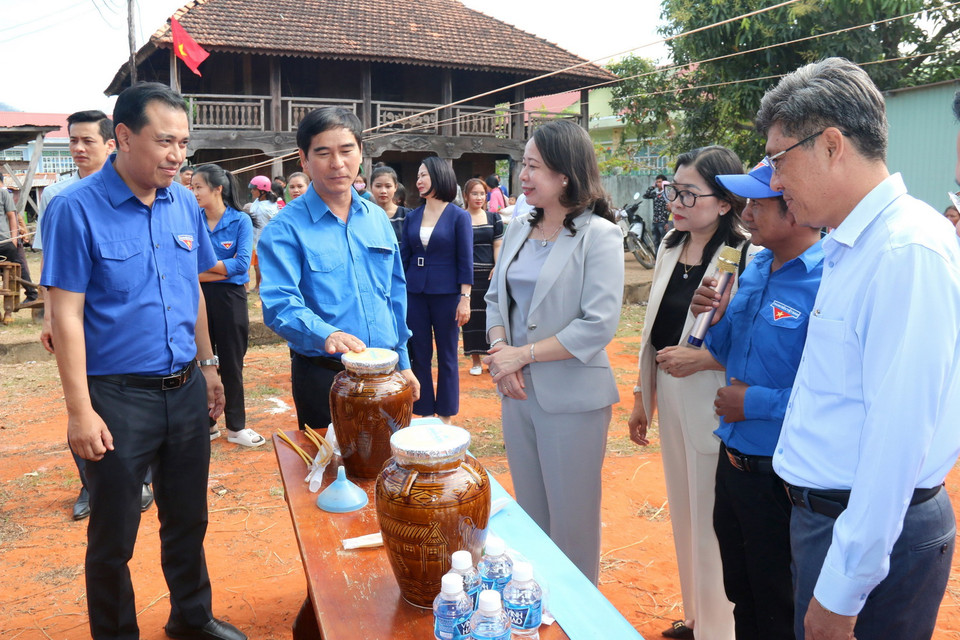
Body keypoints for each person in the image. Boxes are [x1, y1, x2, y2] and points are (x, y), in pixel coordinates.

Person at [757, 58, 960, 640]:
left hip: (867, 536)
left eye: (777, 160)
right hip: (835, 524)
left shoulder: (907, 251)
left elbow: (895, 442)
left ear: (830, 145)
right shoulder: (854, 244)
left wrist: (844, 588)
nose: (773, 181)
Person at [40, 82, 243, 640]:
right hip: (117, 397)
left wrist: (209, 370)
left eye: (183, 143)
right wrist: (80, 411)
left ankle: (191, 618)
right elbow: (67, 318)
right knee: (114, 532)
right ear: (124, 137)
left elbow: (195, 292)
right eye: (164, 142)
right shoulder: (73, 210)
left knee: (187, 517)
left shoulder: (183, 200)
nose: (177, 156)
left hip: (182, 390)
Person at [484, 119, 623, 584]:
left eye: (534, 167)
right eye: (523, 165)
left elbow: (598, 324)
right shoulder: (520, 227)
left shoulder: (599, 235)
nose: (523, 176)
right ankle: (536, 603)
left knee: (573, 520)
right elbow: (494, 300)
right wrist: (502, 351)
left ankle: (580, 619)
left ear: (565, 173)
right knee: (532, 515)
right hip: (518, 392)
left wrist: (522, 356)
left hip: (572, 398)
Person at [691, 158, 824, 640]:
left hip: (784, 479)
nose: (745, 214)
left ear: (795, 207)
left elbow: (836, 396)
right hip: (735, 465)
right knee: (741, 594)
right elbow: (728, 355)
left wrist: (757, 404)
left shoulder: (828, 282)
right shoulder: (756, 265)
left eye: (757, 204)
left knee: (779, 604)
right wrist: (715, 318)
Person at [627, 146, 748, 640]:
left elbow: (751, 343)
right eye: (672, 191)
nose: (675, 202)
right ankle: (697, 618)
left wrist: (702, 359)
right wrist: (642, 395)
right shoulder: (671, 248)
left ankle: (719, 629)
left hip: (711, 399)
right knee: (683, 510)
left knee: (713, 523)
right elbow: (651, 329)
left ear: (724, 202)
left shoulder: (743, 255)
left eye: (688, 193)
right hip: (672, 396)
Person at [258, 107, 419, 431]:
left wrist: (403, 360)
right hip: (326, 377)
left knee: (389, 471)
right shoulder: (286, 228)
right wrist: (326, 334)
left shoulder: (377, 219)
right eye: (323, 153)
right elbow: (279, 305)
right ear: (303, 159)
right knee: (335, 474)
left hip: (387, 373)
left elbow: (395, 295)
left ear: (361, 153)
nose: (337, 163)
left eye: (347, 151)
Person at [34, 110, 151, 521]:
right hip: (79, 319)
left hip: (130, 325)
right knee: (84, 401)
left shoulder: (142, 188)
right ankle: (92, 483)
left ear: (113, 143)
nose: (79, 149)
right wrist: (50, 316)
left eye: (88, 141)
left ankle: (138, 478)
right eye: (73, 141)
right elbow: (55, 265)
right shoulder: (59, 197)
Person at [193, 164, 263, 448]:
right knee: (200, 362)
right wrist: (219, 269)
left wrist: (205, 269)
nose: (193, 192)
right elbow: (188, 265)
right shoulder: (192, 220)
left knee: (232, 362)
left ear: (217, 189)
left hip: (231, 299)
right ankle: (207, 423)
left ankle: (236, 426)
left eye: (198, 187)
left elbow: (242, 264)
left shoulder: (240, 220)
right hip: (197, 297)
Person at [400, 157, 473, 422]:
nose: (418, 181)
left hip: (447, 295)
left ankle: (445, 415)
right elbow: (403, 258)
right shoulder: (412, 217)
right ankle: (423, 411)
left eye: (424, 175)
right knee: (419, 352)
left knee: (447, 354)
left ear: (439, 177)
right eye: (418, 176)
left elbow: (466, 260)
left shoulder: (459, 217)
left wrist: (464, 298)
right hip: (415, 293)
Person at [461, 177, 503, 375]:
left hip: (489, 275)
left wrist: (497, 266)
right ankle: (476, 361)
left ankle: (492, 359)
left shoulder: (494, 218)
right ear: (466, 196)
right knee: (471, 318)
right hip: (467, 276)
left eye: (482, 194)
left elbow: (497, 244)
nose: (479, 198)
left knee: (491, 317)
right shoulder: (460, 218)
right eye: (474, 193)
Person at [0, 177, 38, 305]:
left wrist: (14, 240)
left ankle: (32, 294)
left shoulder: (3, 193)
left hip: (5, 242)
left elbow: (12, 217)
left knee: (19, 268)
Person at [248, 175, 277, 292]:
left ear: (262, 191)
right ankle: (257, 286)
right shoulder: (256, 202)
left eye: (254, 189)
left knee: (263, 265)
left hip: (266, 239)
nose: (252, 191)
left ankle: (261, 286)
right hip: (255, 239)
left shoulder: (269, 207)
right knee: (256, 265)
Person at [370, 163, 412, 239]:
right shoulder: (365, 215)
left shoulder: (407, 215)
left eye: (388, 186)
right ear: (371, 187)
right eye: (378, 186)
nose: (383, 191)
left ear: (395, 187)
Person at [643, 174, 670, 250]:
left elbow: (670, 208)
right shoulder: (655, 194)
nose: (658, 183)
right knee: (656, 242)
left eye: (660, 182)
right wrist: (652, 187)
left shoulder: (667, 194)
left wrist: (668, 222)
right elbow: (645, 195)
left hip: (663, 222)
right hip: (655, 222)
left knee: (665, 242)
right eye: (657, 182)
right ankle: (657, 260)